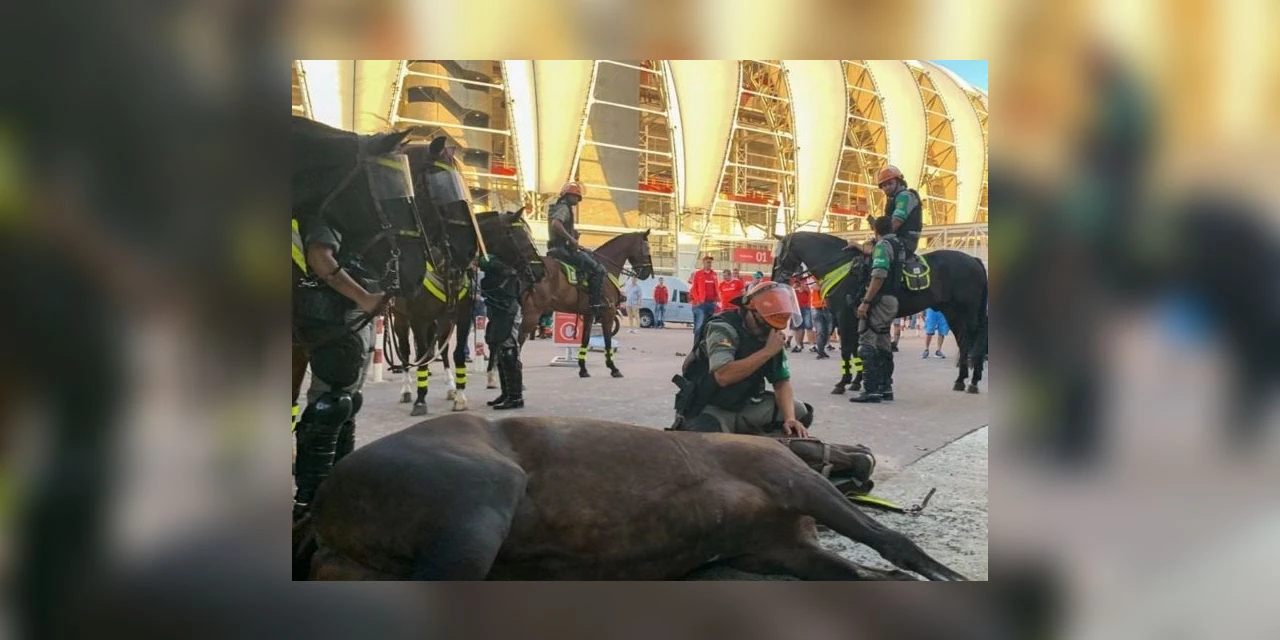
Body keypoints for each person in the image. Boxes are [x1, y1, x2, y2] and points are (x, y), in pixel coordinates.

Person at [292, 215, 387, 520]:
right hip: (327, 312)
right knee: (331, 404)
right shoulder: (323, 209)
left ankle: (334, 488)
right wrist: (364, 297)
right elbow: (320, 256)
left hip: (340, 311)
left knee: (345, 402)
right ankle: (309, 502)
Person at [672, 281, 812, 437]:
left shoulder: (770, 335)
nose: (770, 330)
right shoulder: (722, 328)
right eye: (765, 323)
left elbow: (781, 382)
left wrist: (790, 419)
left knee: (800, 412)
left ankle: (754, 439)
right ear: (750, 309)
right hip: (711, 405)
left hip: (744, 403)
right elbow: (723, 376)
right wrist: (767, 352)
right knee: (709, 446)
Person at [851, 215, 903, 403]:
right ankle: (885, 387)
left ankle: (870, 389)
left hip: (879, 300)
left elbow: (879, 274)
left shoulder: (882, 246)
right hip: (893, 300)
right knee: (883, 343)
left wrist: (866, 301)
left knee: (866, 343)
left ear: (876, 230)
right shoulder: (899, 245)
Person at [546, 181, 606, 309]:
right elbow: (556, 224)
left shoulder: (558, 207)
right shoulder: (563, 208)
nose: (577, 200)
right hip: (563, 250)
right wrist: (571, 239)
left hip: (557, 248)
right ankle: (595, 304)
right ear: (567, 196)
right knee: (598, 270)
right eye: (575, 197)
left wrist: (577, 242)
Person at [845, 165, 923, 260]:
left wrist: (878, 234)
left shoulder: (905, 197)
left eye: (890, 183)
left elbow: (895, 223)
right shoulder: (893, 200)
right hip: (894, 239)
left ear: (899, 182)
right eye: (884, 186)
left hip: (905, 242)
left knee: (880, 252)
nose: (887, 187)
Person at [481, 254, 525, 410]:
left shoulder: (509, 254)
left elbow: (505, 269)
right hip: (497, 308)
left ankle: (516, 397)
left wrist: (487, 261)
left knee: (509, 349)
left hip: (509, 307)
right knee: (499, 349)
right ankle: (506, 393)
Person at [689, 256, 720, 345]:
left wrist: (716, 299)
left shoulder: (714, 274)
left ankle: (707, 344)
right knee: (699, 325)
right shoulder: (698, 274)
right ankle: (696, 345)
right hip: (700, 304)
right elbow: (693, 289)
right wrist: (698, 300)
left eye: (710, 262)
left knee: (711, 324)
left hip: (711, 303)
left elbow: (716, 288)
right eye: (707, 262)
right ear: (703, 263)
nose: (709, 264)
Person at [812, 278, 833, 359]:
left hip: (828, 308)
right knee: (820, 331)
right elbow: (815, 287)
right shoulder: (813, 278)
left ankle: (822, 350)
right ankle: (820, 351)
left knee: (828, 331)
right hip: (817, 308)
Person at [790, 279, 812, 353]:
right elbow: (790, 292)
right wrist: (794, 286)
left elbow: (809, 291)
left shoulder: (806, 282)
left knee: (807, 326)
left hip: (805, 306)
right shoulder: (794, 283)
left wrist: (802, 286)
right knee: (797, 327)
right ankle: (798, 344)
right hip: (796, 307)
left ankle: (801, 344)